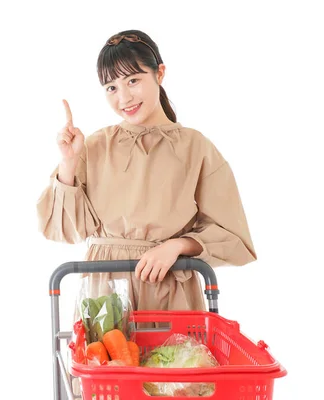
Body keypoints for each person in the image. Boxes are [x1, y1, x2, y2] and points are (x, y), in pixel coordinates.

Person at [36, 29, 257, 314]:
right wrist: (68, 161)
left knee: (174, 357)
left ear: (160, 74)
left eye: (133, 80)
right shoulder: (95, 146)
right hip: (106, 293)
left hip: (169, 289)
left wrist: (178, 246)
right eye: (111, 88)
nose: (124, 97)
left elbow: (232, 235)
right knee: (109, 358)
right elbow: (61, 228)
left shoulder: (195, 147)